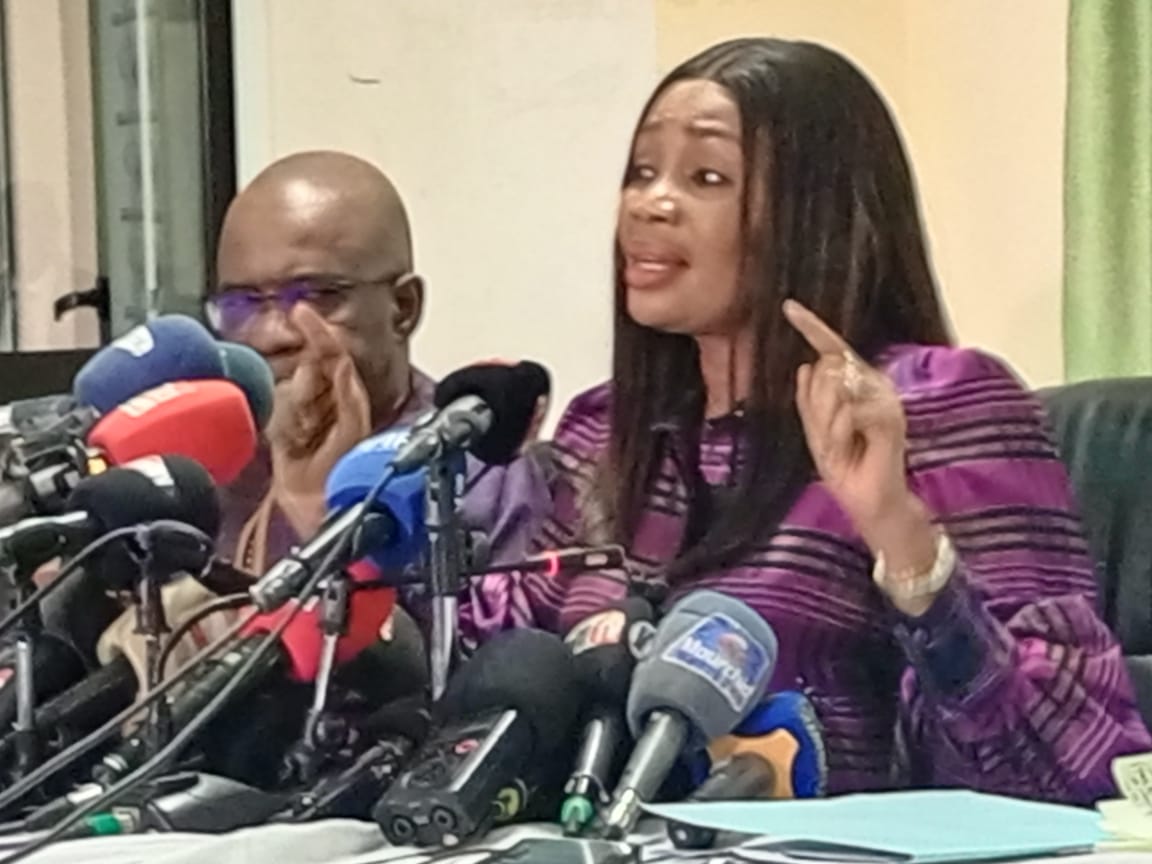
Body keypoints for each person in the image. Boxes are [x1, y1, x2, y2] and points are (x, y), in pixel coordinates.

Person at [460, 38, 1151, 802]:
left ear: (814, 213)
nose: (649, 204)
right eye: (642, 172)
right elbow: (499, 670)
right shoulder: (606, 430)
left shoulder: (935, 406)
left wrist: (901, 535)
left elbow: (1075, 761)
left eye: (706, 177)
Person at [205, 151, 546, 575]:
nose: (272, 335)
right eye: (242, 303)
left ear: (403, 308)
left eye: (316, 295)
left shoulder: (481, 471)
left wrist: (318, 511)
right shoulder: (209, 471)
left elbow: (489, 618)